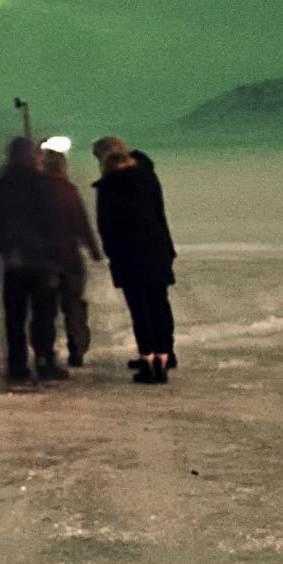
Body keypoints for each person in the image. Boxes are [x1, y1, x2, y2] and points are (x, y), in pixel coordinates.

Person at [0, 135, 74, 382]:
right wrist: (56, 260)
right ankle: (44, 360)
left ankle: (17, 365)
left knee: (15, 317)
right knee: (43, 315)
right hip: (41, 262)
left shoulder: (1, 185)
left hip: (15, 263)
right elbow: (52, 223)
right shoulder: (40, 184)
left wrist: (4, 249)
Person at [92, 136, 179, 384]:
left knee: (140, 310)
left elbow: (106, 227)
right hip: (156, 251)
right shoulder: (148, 177)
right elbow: (158, 215)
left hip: (129, 256)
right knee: (159, 304)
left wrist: (112, 253)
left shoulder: (109, 186)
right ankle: (163, 356)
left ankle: (149, 361)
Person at [41, 144, 103, 368]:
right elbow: (81, 223)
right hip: (70, 260)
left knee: (46, 310)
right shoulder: (69, 190)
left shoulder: (38, 192)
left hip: (45, 262)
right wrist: (94, 250)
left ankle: (45, 353)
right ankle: (76, 350)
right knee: (74, 308)